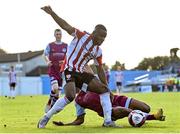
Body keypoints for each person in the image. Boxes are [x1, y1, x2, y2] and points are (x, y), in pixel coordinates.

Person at [38, 5, 116, 128]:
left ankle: (108, 121)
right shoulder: (81, 35)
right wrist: (52, 13)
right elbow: (65, 25)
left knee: (104, 90)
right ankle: (46, 117)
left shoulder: (98, 51)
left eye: (104, 37)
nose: (102, 39)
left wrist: (106, 86)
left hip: (81, 73)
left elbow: (100, 70)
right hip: (68, 69)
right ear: (94, 33)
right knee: (69, 96)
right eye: (101, 36)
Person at [52, 90, 166, 126]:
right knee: (127, 112)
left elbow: (106, 88)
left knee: (146, 107)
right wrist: (65, 125)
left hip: (117, 99)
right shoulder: (78, 101)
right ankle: (153, 117)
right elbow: (80, 119)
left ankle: (144, 116)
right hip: (108, 112)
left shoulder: (90, 83)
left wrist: (110, 94)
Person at [43, 29, 68, 113]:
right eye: (57, 34)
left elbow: (69, 56)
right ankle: (50, 100)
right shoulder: (50, 45)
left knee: (57, 94)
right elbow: (45, 54)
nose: (58, 35)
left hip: (61, 72)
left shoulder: (66, 46)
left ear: (61, 35)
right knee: (55, 88)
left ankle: (52, 105)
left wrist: (65, 62)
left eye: (59, 34)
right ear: (54, 35)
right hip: (53, 70)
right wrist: (47, 61)